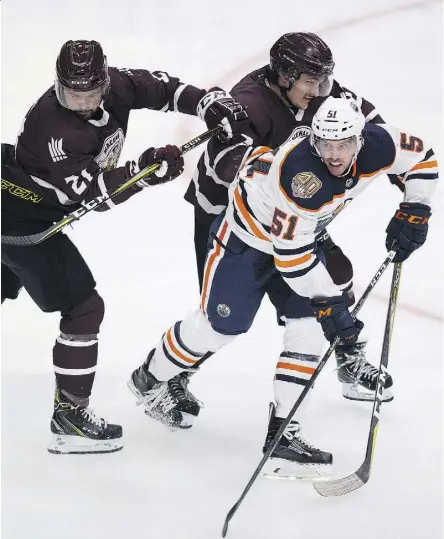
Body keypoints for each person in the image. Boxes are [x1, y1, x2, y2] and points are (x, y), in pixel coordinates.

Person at [129, 97, 437, 477]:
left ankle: (283, 438)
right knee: (218, 329)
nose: (335, 154)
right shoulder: (300, 179)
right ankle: (148, 378)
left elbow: (422, 156)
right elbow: (293, 262)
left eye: (343, 145)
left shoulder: (378, 143)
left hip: (301, 238)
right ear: (314, 142)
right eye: (326, 144)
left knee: (307, 328)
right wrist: (332, 305)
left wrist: (416, 209)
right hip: (245, 243)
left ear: (361, 138)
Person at [1, 39, 250, 454]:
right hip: (20, 218)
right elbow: (93, 195)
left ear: (104, 82)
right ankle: (70, 416)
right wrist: (143, 171)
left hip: (22, 198)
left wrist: (209, 104)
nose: (81, 102)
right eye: (71, 93)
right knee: (83, 307)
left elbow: (164, 90)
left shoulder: (119, 85)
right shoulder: (55, 129)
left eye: (89, 93)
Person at [184, 32, 402, 404]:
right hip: (230, 218)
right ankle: (170, 376)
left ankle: (348, 358)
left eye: (324, 80)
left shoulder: (322, 90)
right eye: (311, 82)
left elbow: (370, 127)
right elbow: (229, 166)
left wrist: (402, 173)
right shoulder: (248, 104)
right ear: (284, 77)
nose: (321, 90)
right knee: (222, 317)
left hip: (290, 216)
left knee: (331, 277)